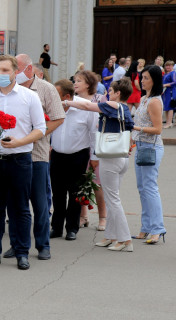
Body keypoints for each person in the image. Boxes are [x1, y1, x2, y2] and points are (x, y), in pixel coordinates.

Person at [0, 55, 46, 270]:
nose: (0, 74)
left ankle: (22, 252)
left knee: (20, 208)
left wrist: (20, 142)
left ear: (15, 72)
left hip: (20, 159)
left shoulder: (28, 97)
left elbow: (40, 128)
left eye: (5, 70)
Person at [2, 54, 65, 261]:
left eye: (16, 69)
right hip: (13, 154)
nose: (13, 73)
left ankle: (42, 245)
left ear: (29, 70)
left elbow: (58, 117)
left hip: (36, 154)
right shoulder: (8, 90)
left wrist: (36, 133)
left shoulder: (46, 89)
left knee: (39, 203)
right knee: (15, 203)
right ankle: (16, 244)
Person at [66, 78, 135, 252]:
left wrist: (67, 102)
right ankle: (111, 236)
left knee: (113, 200)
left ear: (118, 93)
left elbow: (88, 106)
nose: (107, 93)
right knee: (113, 198)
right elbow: (130, 129)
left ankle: (124, 239)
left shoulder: (112, 105)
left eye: (110, 90)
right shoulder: (125, 109)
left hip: (110, 157)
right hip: (120, 157)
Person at [50, 79, 98, 241]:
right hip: (56, 155)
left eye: (56, 96)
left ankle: (72, 228)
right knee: (57, 193)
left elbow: (93, 134)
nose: (52, 99)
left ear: (67, 96)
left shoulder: (85, 107)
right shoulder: (52, 107)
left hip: (78, 155)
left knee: (75, 193)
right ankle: (56, 227)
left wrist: (94, 157)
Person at [131, 65, 166, 244]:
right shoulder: (145, 98)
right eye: (141, 77)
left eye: (145, 78)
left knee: (150, 188)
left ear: (154, 80)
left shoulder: (154, 101)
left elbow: (158, 129)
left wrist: (135, 128)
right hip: (141, 146)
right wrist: (133, 139)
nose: (141, 81)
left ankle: (157, 229)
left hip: (151, 148)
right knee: (142, 188)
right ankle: (145, 228)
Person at [73, 70, 107, 231]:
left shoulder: (99, 99)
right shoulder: (72, 99)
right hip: (78, 146)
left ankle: (102, 217)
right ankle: (83, 216)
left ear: (88, 83)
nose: (75, 83)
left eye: (78, 81)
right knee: (80, 183)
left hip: (96, 146)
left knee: (97, 184)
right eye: (74, 81)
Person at [162, 60, 176, 128]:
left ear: (172, 66)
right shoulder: (165, 74)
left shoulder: (173, 73)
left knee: (170, 107)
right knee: (166, 107)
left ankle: (169, 122)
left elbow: (174, 82)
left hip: (171, 92)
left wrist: (166, 85)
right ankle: (168, 122)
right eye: (167, 65)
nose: (168, 67)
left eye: (169, 65)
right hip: (165, 92)